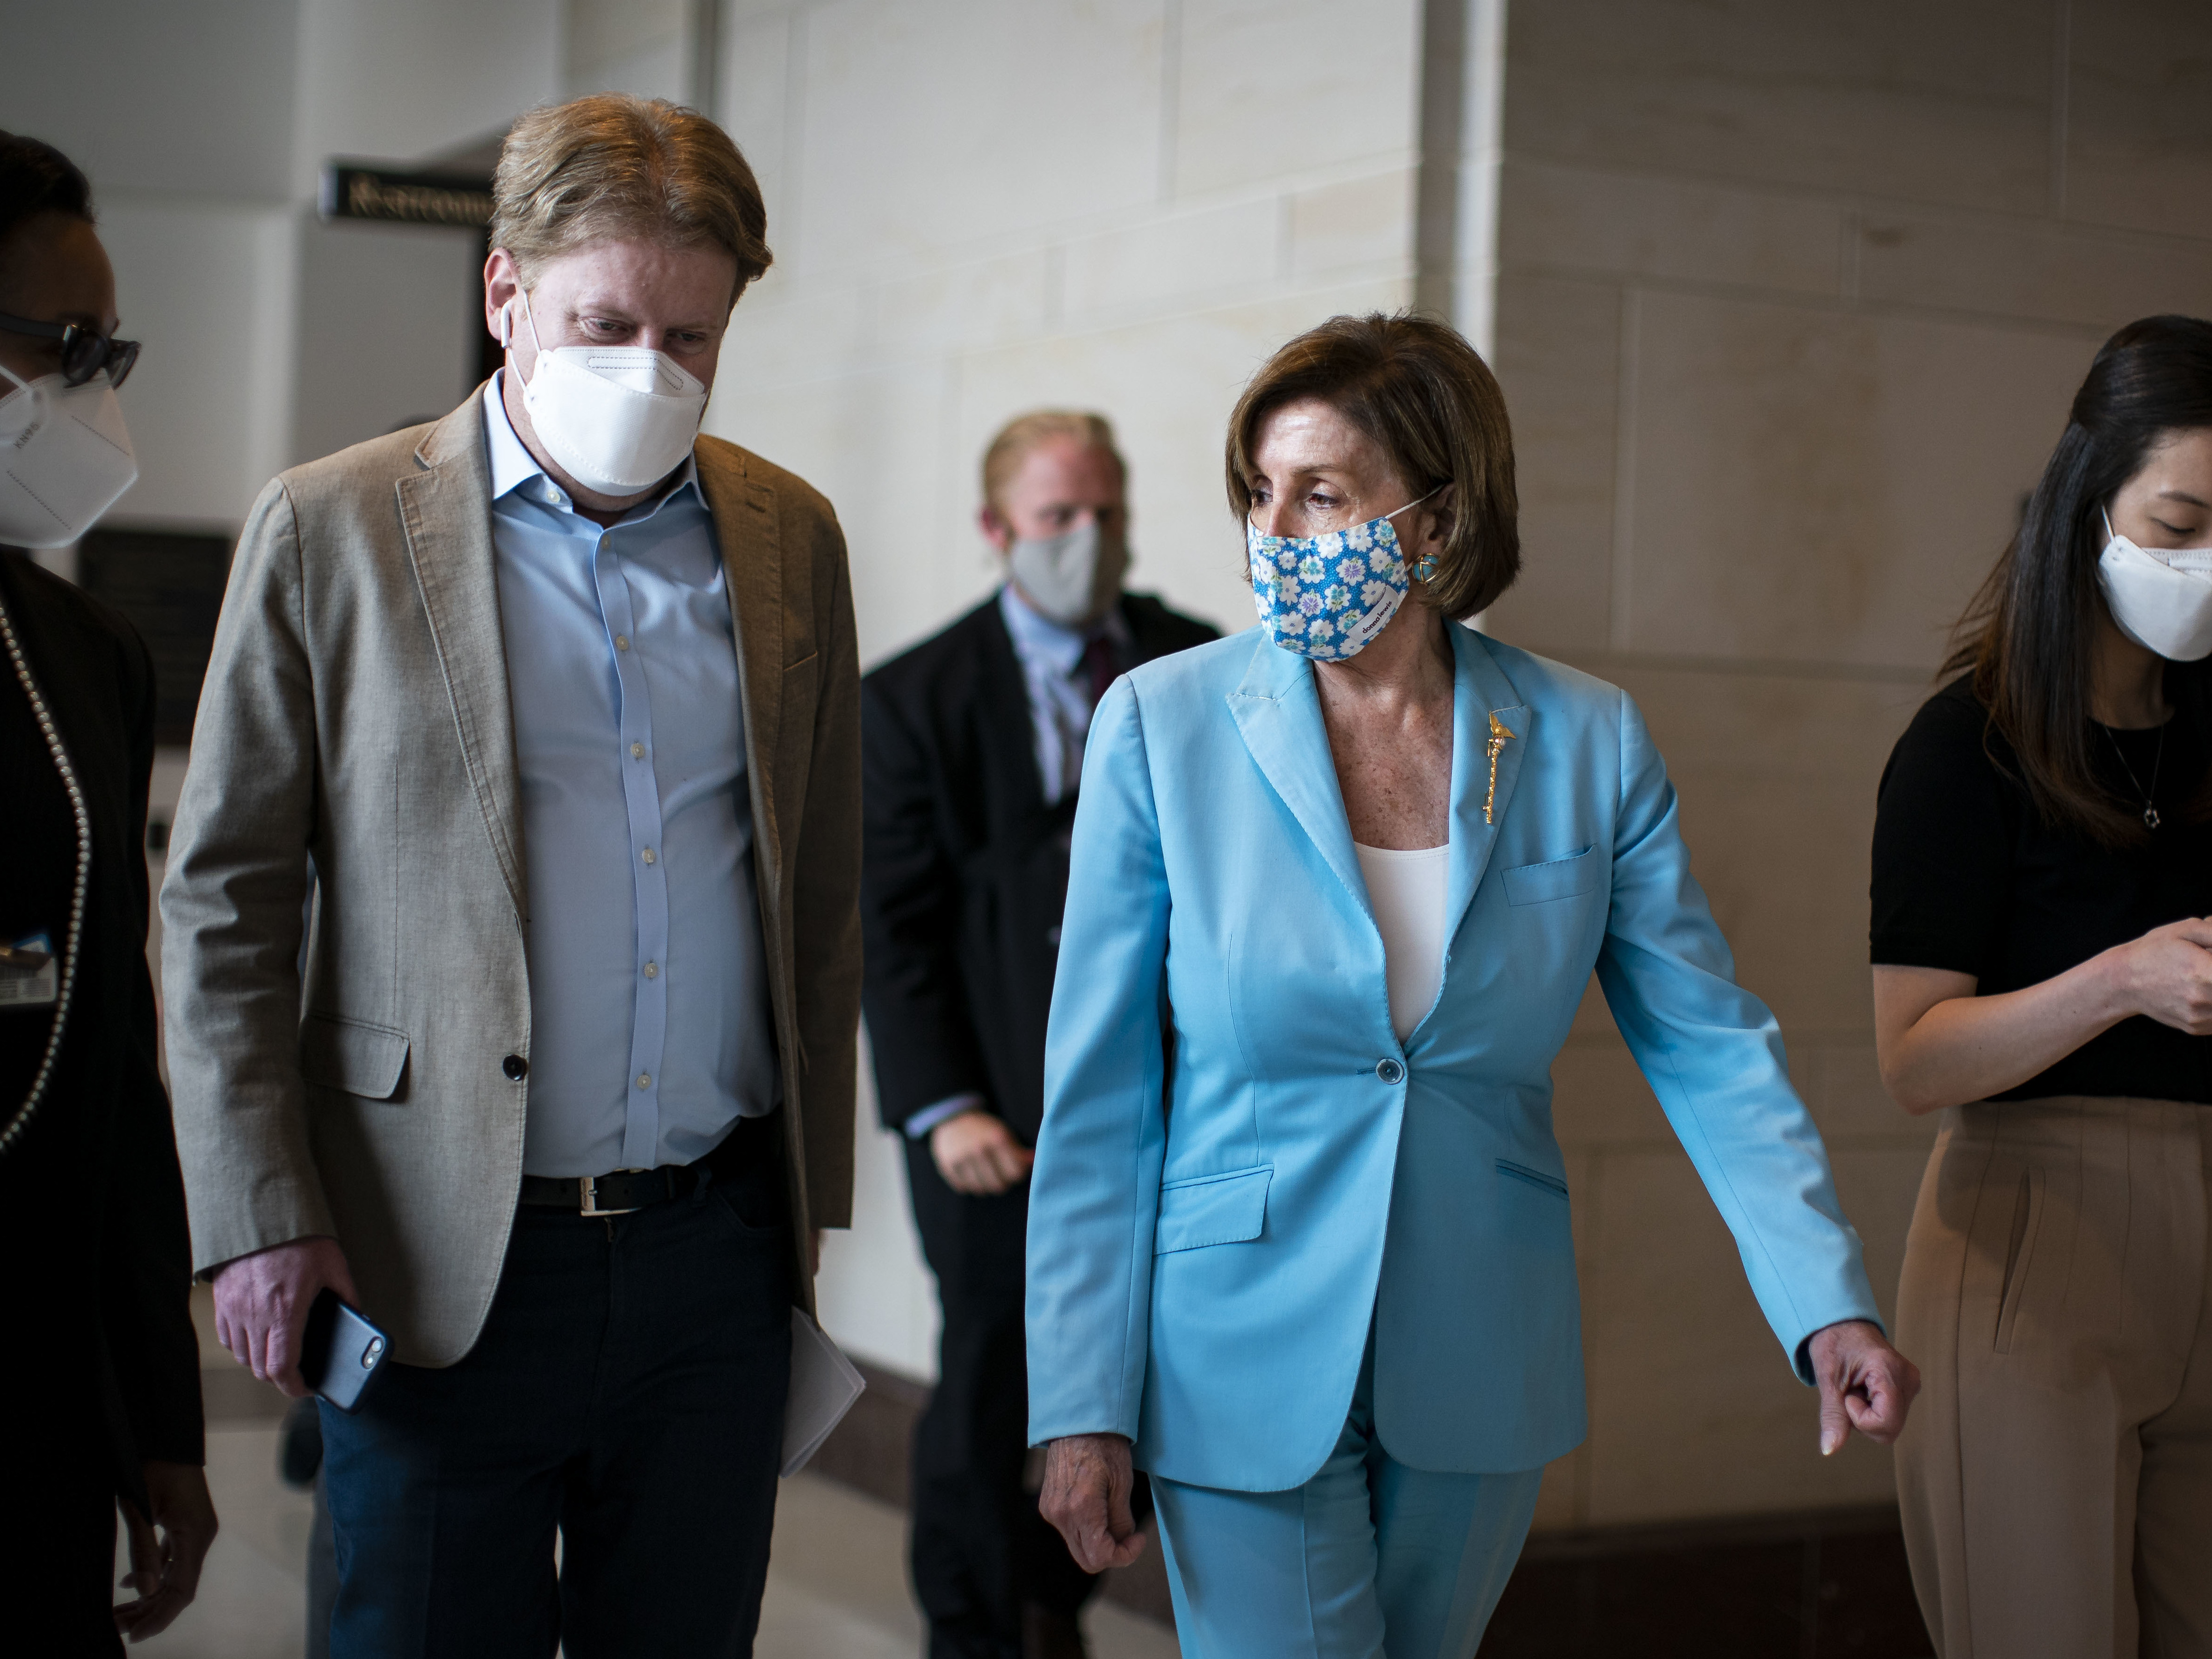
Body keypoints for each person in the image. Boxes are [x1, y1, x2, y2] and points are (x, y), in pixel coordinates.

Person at [1023, 312, 1919, 1657]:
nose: (1276, 530)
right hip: (1237, 1344)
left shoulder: (1582, 736)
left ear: (1434, 525)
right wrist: (1078, 1396)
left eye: (1321, 495)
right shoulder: (1163, 724)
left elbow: (1708, 1042)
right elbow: (1100, 1095)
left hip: (1479, 1344)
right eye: (1257, 493)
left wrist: (1824, 1298)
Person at [160, 94, 860, 1657]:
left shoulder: (786, 535)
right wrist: (259, 1210)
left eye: (693, 336)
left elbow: (815, 892)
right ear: (502, 296)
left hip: (709, 1259)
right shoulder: (330, 523)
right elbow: (224, 906)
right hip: (434, 1250)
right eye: (604, 322)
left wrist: (799, 1226)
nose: (649, 370)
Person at [1874, 314, 2212, 1658]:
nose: (2204, 566)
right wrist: (2119, 979)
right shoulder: (1967, 743)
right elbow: (1911, 1057)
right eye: (2178, 523)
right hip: (2031, 1240)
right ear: (2090, 509)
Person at [861, 411, 1216, 1658]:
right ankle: (970, 1624)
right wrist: (943, 1103)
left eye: (1105, 512)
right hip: (983, 1110)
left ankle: (1054, 1605)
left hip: (1153, 1098)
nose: (1088, 538)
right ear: (995, 529)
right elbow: (889, 930)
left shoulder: (1194, 663)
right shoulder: (912, 698)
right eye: (1058, 516)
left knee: (1126, 1362)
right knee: (992, 1361)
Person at [0, 131, 215, 1655]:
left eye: (107, 346)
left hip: (33, 1379)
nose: (96, 383)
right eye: (65, 348)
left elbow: (113, 1070)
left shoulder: (85, 652)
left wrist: (163, 1414)